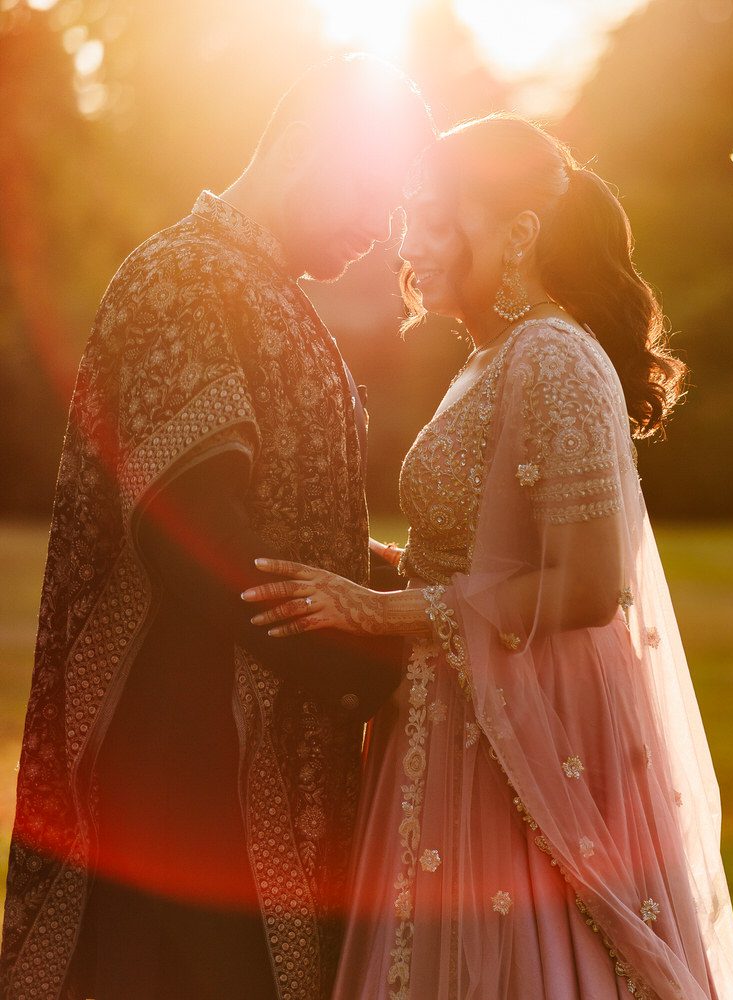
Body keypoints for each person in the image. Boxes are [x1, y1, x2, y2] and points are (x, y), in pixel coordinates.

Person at [244, 114, 733, 1000]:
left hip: (516, 745)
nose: (412, 241)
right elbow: (480, 552)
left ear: (517, 233)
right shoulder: (490, 358)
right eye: (414, 216)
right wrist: (365, 560)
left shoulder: (554, 356)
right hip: (449, 722)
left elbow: (591, 586)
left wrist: (375, 610)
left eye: (439, 218)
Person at [0, 55, 434, 999]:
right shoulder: (187, 278)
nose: (382, 232)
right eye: (372, 194)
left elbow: (292, 522)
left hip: (258, 746)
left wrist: (401, 587)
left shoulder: (264, 286)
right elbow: (191, 533)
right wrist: (377, 657)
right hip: (185, 756)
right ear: (306, 144)